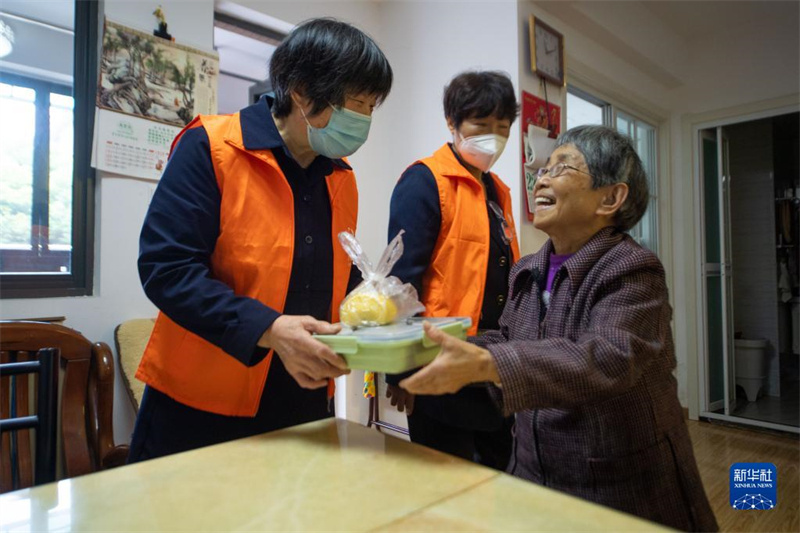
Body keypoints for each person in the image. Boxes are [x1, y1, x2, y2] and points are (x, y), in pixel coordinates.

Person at [399, 125, 719, 532]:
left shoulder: (632, 269)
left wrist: (487, 361)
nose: (542, 178)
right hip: (534, 472)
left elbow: (608, 358)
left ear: (611, 198)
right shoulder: (528, 269)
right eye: (543, 169)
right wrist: (425, 347)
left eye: (562, 167)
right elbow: (509, 339)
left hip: (617, 485)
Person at [128, 18, 393, 462]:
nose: (364, 120)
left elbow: (329, 275)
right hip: (202, 407)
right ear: (302, 93)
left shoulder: (340, 176)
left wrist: (376, 311)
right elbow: (167, 270)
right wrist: (270, 330)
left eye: (371, 106)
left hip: (303, 398)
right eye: (355, 104)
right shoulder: (210, 147)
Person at [385, 71, 520, 470]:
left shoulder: (498, 191)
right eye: (480, 125)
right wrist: (400, 372)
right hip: (438, 364)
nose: (492, 138)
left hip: (493, 366)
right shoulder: (425, 181)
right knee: (445, 484)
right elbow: (400, 282)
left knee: (496, 481)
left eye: (502, 127)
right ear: (452, 122)